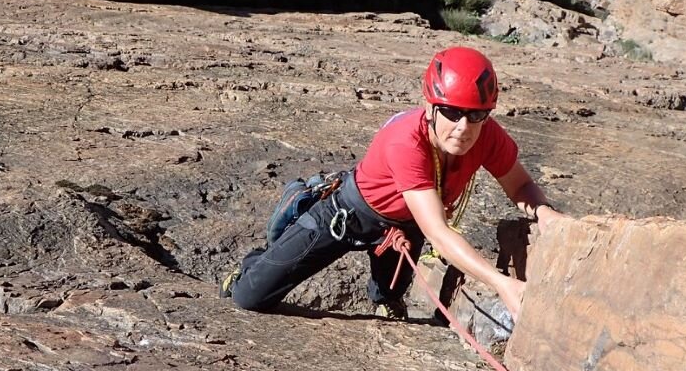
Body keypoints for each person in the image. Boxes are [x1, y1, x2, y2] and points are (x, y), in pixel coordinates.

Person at [221, 45, 564, 321]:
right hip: (348, 213)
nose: (464, 127)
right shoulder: (406, 141)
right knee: (249, 298)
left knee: (390, 300)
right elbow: (440, 234)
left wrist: (545, 213)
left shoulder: (488, 136)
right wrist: (502, 284)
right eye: (452, 112)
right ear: (431, 106)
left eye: (476, 115)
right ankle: (254, 264)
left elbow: (520, 187)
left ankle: (384, 295)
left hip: (405, 226)